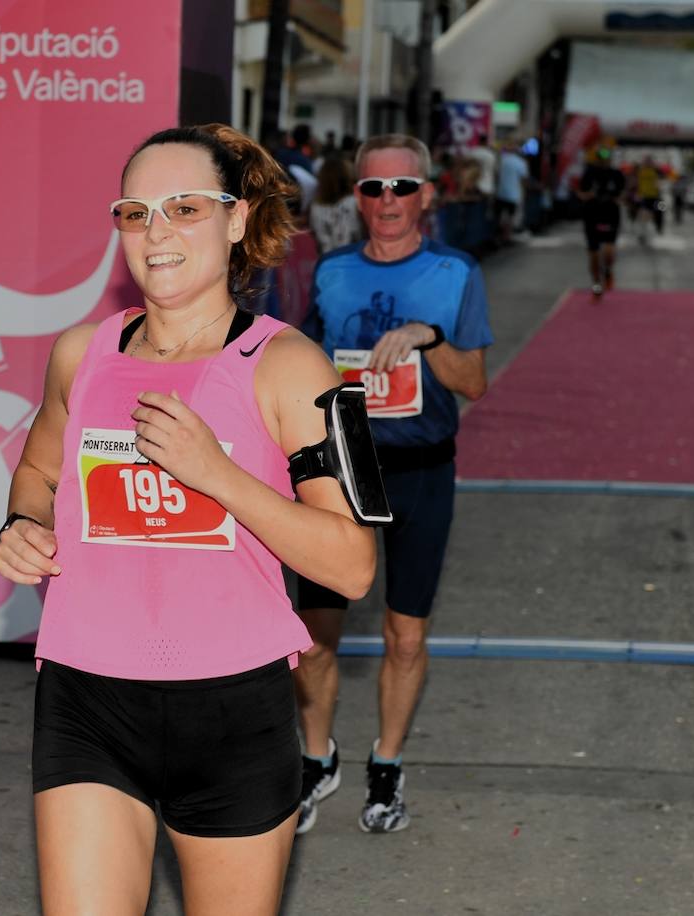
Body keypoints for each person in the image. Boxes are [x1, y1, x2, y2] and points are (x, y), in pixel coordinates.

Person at [0, 123, 378, 914]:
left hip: (233, 709)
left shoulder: (295, 366)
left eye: (185, 208)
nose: (156, 232)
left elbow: (351, 564)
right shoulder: (82, 354)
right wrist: (22, 525)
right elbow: (36, 472)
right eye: (136, 213)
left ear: (237, 220)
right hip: (86, 696)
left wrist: (217, 475)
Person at [293, 134, 494, 835]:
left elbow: (475, 384)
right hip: (340, 473)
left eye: (402, 188)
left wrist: (429, 340)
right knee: (314, 640)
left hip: (422, 473)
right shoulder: (331, 271)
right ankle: (317, 759)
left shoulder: (454, 271)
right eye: (373, 188)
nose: (387, 201)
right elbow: (300, 368)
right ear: (357, 197)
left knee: (405, 637)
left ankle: (387, 764)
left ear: (427, 195)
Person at [576, 144, 626, 299]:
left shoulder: (617, 174)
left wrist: (619, 199)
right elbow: (580, 192)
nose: (604, 161)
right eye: (601, 157)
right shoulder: (589, 173)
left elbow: (624, 193)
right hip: (592, 215)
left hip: (610, 215)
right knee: (594, 255)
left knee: (609, 253)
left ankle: (609, 271)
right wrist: (587, 195)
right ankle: (597, 286)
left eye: (607, 157)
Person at [309, 156, 363, 254]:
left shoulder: (315, 208)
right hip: (354, 256)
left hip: (327, 259)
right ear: (345, 176)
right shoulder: (354, 202)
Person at [495, 140, 529, 242]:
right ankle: (507, 236)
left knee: (500, 216)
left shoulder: (502, 160)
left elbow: (496, 175)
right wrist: (524, 192)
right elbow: (523, 180)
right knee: (510, 217)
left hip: (500, 193)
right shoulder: (521, 163)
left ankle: (500, 236)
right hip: (513, 194)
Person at [632, 155, 664, 241]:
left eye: (649, 161)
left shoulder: (656, 171)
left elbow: (661, 180)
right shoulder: (640, 171)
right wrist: (637, 194)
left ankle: (659, 226)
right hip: (644, 197)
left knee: (661, 210)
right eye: (646, 161)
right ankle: (642, 234)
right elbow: (636, 183)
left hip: (656, 197)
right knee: (643, 216)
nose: (648, 163)